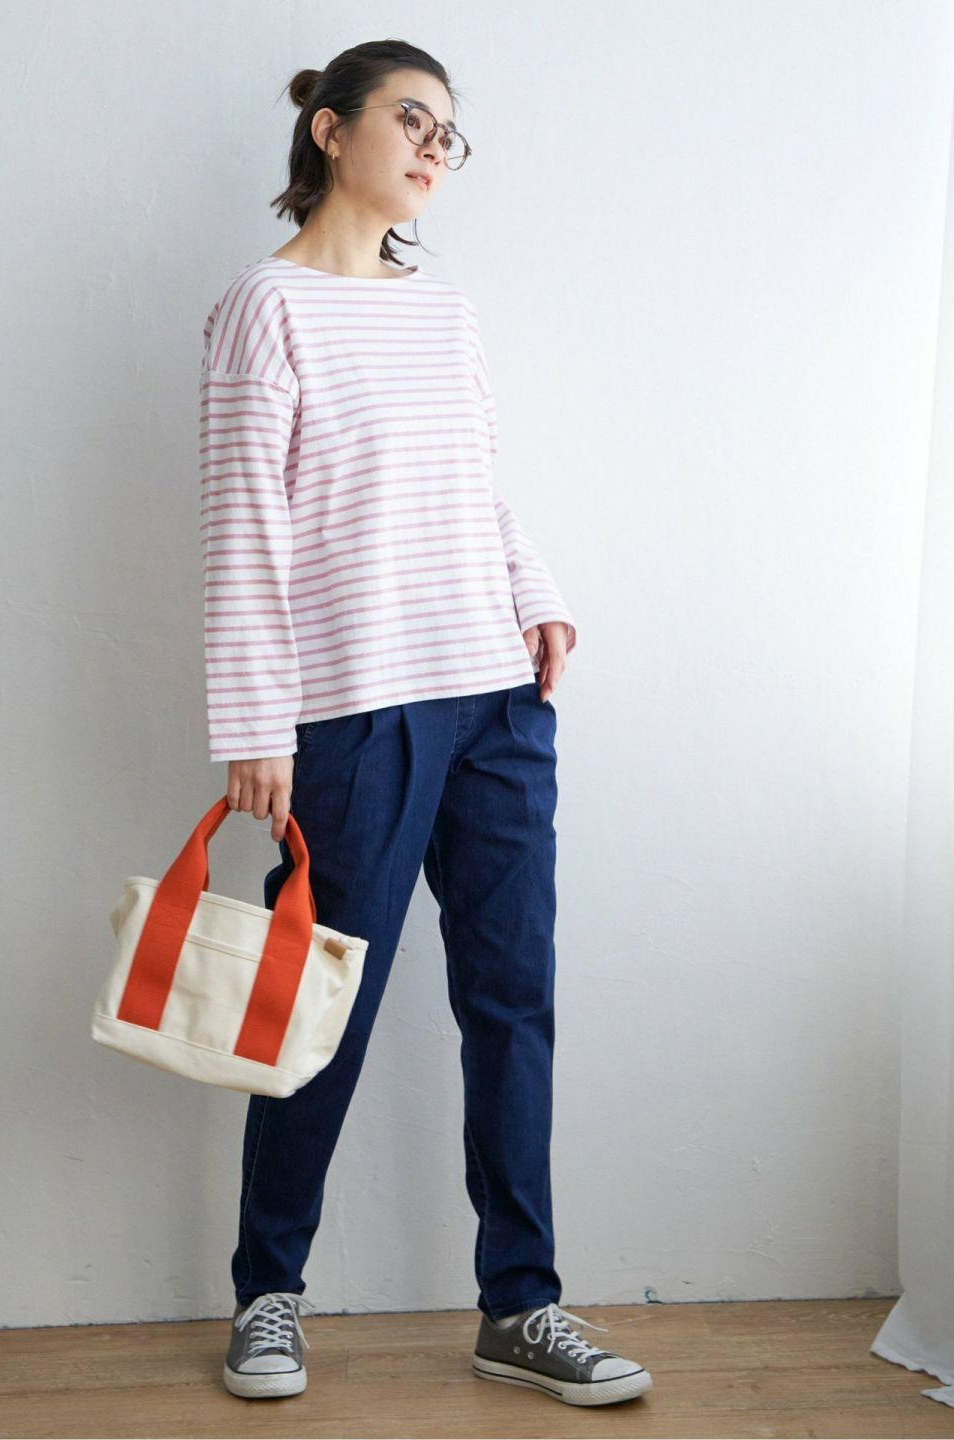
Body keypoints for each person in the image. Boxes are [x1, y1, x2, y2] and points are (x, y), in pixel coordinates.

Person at [201, 39, 652, 1410]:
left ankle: (523, 1305)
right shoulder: (265, 309)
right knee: (317, 1004)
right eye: (414, 119)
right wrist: (255, 720)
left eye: (451, 133)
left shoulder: (444, 313)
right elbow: (242, 527)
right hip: (355, 712)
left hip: (496, 702)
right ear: (331, 131)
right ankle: (268, 1294)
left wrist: (538, 594)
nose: (436, 149)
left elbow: (474, 485)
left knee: (511, 1002)